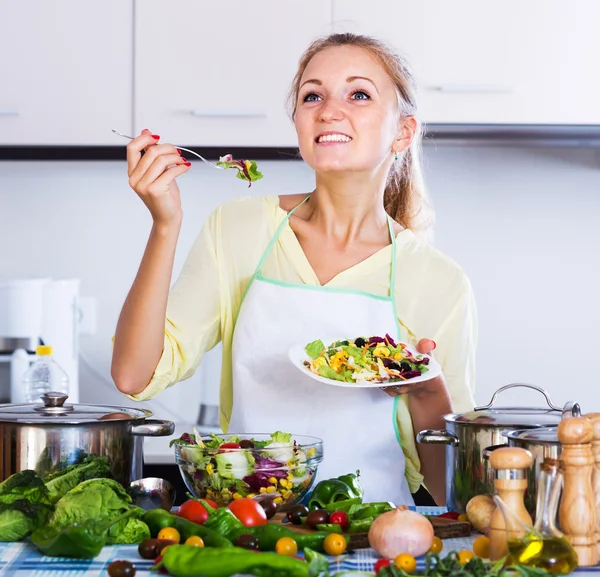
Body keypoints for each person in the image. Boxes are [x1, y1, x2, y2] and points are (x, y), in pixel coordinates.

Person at [111, 33, 477, 506]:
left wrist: (427, 394)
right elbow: (134, 375)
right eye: (313, 96)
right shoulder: (239, 229)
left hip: (372, 535)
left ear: (403, 132)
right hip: (249, 527)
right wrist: (165, 224)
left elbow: (455, 489)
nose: (329, 110)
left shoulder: (437, 281)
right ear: (300, 123)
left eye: (359, 94)